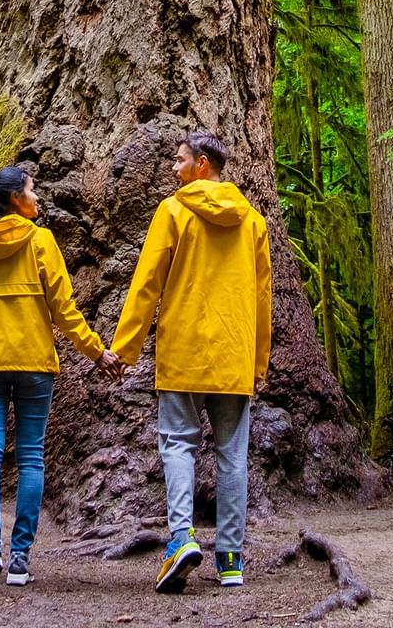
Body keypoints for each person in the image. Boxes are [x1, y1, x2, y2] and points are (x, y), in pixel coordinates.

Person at [110, 131, 272, 593]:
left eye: (179, 161)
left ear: (202, 165)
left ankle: (181, 539)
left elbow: (146, 283)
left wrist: (125, 349)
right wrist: (257, 363)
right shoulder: (253, 222)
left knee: (178, 444)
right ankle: (231, 559)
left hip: (183, 352)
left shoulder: (174, 210)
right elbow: (263, 300)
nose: (173, 168)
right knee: (231, 456)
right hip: (234, 356)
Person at [0, 165, 122, 591]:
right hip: (33, 365)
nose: (38, 197)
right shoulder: (41, 240)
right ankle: (19, 560)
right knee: (30, 456)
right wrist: (96, 351)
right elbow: (64, 309)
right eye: (33, 190)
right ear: (15, 199)